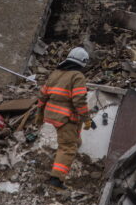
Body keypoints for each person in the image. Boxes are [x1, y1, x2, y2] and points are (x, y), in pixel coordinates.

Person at [34, 47, 93, 190]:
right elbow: (79, 100)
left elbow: (43, 95)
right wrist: (86, 118)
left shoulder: (55, 73)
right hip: (65, 117)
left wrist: (39, 113)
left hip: (51, 114)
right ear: (82, 63)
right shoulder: (77, 76)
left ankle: (75, 147)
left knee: (73, 140)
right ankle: (56, 179)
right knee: (67, 148)